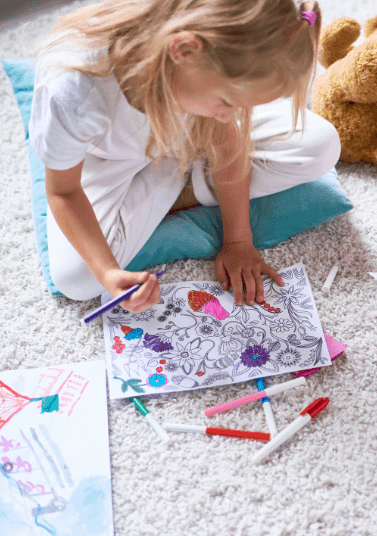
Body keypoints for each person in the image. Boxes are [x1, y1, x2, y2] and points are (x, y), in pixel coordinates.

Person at [30, 0, 340, 312]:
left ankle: (171, 191)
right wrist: (108, 273)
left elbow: (226, 138)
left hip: (186, 135)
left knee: (322, 144)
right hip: (111, 158)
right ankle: (179, 185)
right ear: (182, 50)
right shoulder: (74, 90)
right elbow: (64, 192)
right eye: (228, 100)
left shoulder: (203, 74)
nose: (229, 115)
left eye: (241, 105)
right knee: (79, 279)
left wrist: (238, 241)